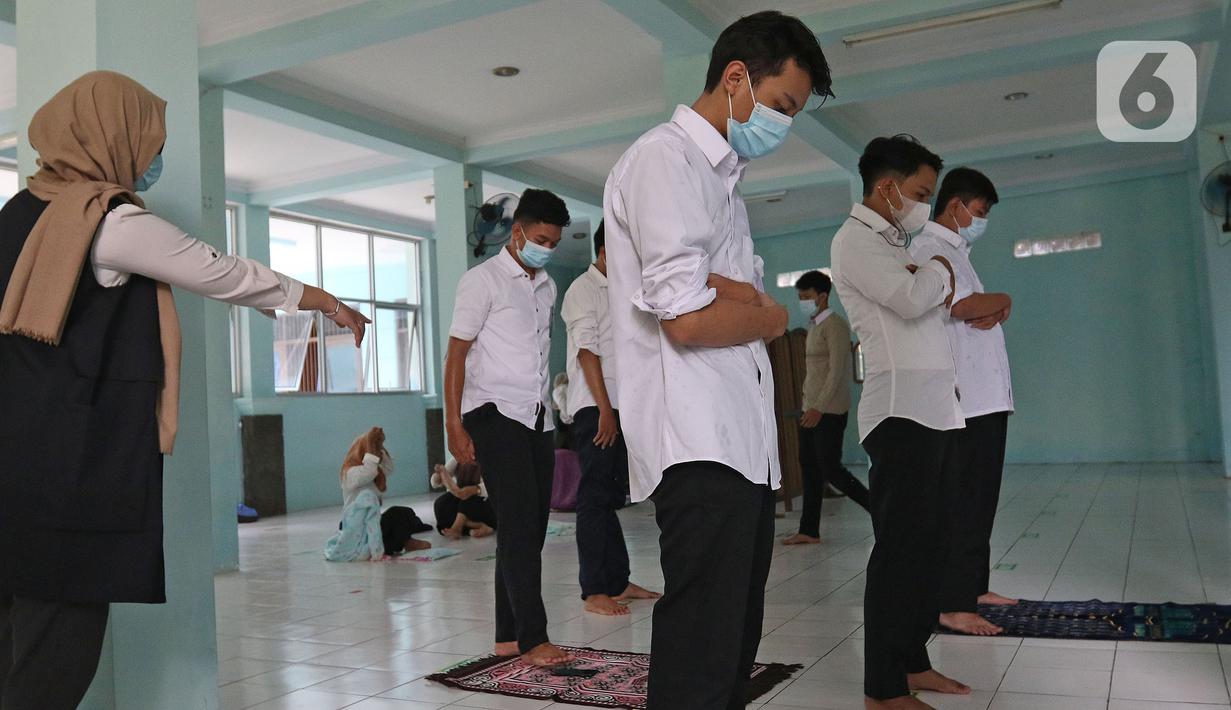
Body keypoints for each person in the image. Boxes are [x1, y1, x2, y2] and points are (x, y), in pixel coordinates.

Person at [0, 71, 368, 710]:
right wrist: (324, 301)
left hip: (16, 457)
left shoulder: (18, 213)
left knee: (17, 629)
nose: (152, 159)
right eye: (148, 141)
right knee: (60, 637)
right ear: (110, 136)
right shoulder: (105, 219)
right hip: (73, 464)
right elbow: (219, 272)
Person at [603, 12, 832, 709]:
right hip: (695, 438)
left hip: (734, 439)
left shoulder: (720, 180)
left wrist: (743, 303)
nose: (783, 124)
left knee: (733, 632)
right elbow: (691, 320)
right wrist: (762, 315)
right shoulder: (664, 160)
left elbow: (730, 299)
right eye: (782, 106)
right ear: (736, 77)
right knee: (703, 636)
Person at [831, 134, 970, 710]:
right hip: (898, 413)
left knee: (929, 546)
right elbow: (914, 300)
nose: (924, 205)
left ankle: (913, 662)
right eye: (919, 193)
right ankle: (881, 689)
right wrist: (941, 268)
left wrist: (929, 273)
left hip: (934, 409)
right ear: (886, 188)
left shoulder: (892, 242)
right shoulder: (855, 242)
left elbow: (922, 298)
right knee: (899, 552)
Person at [444, 188, 573, 668]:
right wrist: (454, 425)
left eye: (554, 242)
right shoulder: (482, 282)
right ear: (517, 231)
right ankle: (533, 637)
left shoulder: (547, 285)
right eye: (541, 238)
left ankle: (506, 637)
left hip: (536, 416)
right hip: (492, 414)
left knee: (529, 531)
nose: (547, 248)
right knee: (518, 527)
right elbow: (456, 354)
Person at [908, 167, 1017, 636]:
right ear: (955, 206)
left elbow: (979, 306)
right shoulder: (929, 248)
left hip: (985, 396)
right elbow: (956, 305)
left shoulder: (958, 251)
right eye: (979, 211)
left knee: (982, 498)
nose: (981, 220)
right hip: (962, 399)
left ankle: (974, 586)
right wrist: (1000, 298)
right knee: (963, 502)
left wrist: (994, 302)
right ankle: (952, 603)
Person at [561, 220, 660, 616]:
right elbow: (588, 353)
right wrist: (604, 410)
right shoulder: (582, 290)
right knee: (593, 498)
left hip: (619, 406)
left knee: (609, 496)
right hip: (594, 408)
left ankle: (618, 581)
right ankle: (593, 590)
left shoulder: (620, 292)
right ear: (604, 252)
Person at [783, 269, 870, 546]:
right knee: (810, 467)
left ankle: (882, 513)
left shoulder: (835, 325)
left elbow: (836, 372)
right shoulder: (814, 326)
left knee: (831, 469)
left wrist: (819, 407)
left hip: (828, 411)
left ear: (823, 296)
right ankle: (809, 530)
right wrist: (809, 406)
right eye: (800, 297)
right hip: (811, 410)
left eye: (807, 297)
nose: (803, 301)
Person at [325, 427, 432, 561]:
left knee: (406, 512)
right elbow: (368, 472)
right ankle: (404, 541)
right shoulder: (350, 473)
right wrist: (370, 444)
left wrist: (379, 446)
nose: (378, 454)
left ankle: (400, 542)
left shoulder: (376, 472)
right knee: (397, 514)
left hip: (371, 523)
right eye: (374, 451)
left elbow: (389, 468)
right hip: (354, 527)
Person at [431, 459, 497, 539]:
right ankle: (480, 526)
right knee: (441, 503)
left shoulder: (491, 457)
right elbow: (435, 483)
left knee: (468, 502)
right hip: (464, 496)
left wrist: (477, 489)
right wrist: (438, 476)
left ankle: (457, 528)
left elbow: (497, 486)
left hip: (488, 501)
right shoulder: (459, 456)